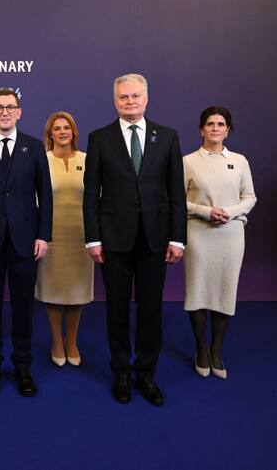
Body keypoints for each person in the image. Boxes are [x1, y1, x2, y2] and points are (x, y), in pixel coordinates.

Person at [82, 73, 186, 407]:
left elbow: (176, 194)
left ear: (147, 98)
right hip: (113, 240)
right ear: (115, 101)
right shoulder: (100, 139)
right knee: (116, 310)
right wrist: (93, 239)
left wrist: (178, 239)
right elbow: (90, 196)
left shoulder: (167, 137)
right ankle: (121, 372)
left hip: (156, 239)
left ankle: (146, 373)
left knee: (151, 309)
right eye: (124, 97)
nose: (130, 102)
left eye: (136, 96)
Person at [0, 88, 53, 398]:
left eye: (10, 107)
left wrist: (43, 234)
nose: (5, 112)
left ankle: (23, 368)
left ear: (19, 112)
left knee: (23, 308)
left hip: (25, 242)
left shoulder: (34, 147)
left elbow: (46, 195)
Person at [183, 106, 256, 380]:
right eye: (210, 124)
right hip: (198, 233)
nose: (215, 128)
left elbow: (249, 196)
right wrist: (205, 211)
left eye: (221, 124)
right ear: (201, 129)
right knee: (198, 290)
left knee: (225, 291)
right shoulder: (188, 161)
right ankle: (201, 349)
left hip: (231, 235)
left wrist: (231, 212)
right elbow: (177, 199)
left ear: (228, 130)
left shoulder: (239, 161)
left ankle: (216, 350)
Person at [36, 111, 93, 368]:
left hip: (81, 237)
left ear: (73, 132)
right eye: (56, 128)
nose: (62, 132)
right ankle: (57, 343)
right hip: (51, 236)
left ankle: (72, 342)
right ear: (50, 134)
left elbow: (96, 197)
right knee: (53, 291)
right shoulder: (42, 160)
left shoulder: (87, 159)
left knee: (76, 292)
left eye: (66, 128)